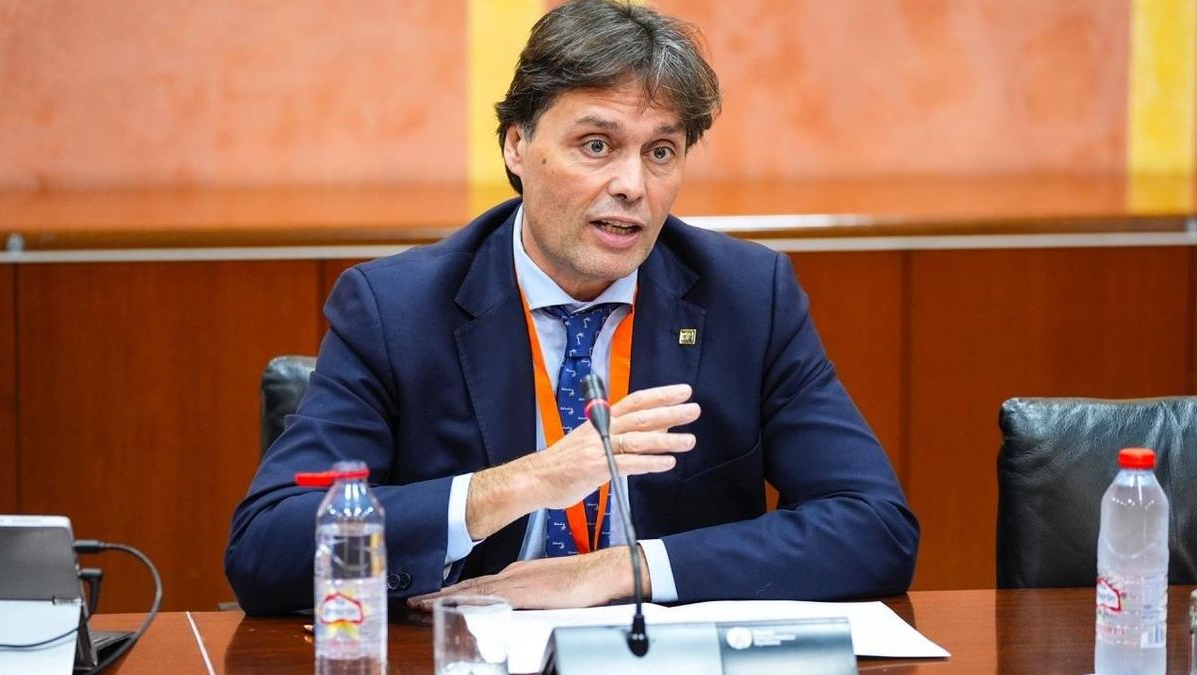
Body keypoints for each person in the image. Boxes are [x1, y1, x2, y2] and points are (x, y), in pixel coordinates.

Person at [225, 0, 918, 616]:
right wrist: (527, 482)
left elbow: (875, 526)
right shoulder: (397, 309)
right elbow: (267, 548)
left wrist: (622, 570)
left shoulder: (747, 296)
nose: (631, 185)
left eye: (661, 152)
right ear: (517, 145)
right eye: (596, 145)